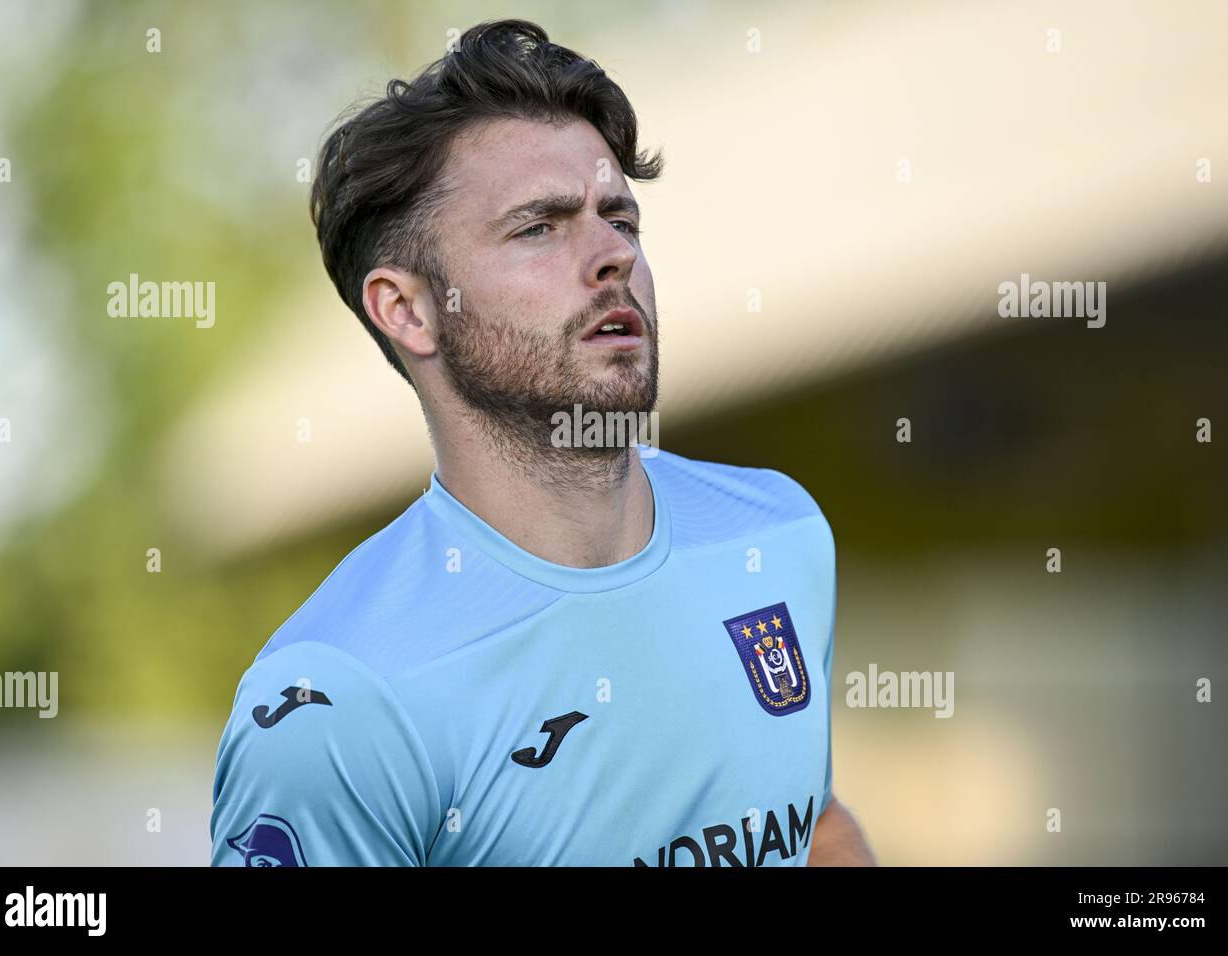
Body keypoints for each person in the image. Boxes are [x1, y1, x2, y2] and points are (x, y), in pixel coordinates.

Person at [210, 18, 875, 867]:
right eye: (540, 227)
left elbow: (811, 825)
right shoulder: (335, 698)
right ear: (407, 310)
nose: (611, 257)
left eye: (619, 218)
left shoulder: (774, 532)